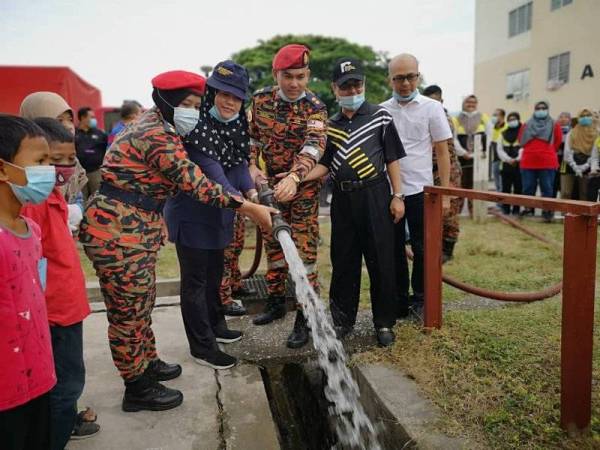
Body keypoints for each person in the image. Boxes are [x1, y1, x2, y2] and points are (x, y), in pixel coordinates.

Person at [79, 70, 275, 412]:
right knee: (128, 312)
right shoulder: (155, 134)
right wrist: (250, 208)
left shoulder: (162, 125)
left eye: (197, 104)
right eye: (186, 104)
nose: (193, 111)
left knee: (142, 303)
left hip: (136, 223)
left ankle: (147, 363)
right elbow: (197, 184)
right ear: (166, 101)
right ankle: (136, 387)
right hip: (117, 229)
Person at [303, 58, 405, 346]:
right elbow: (324, 165)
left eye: (356, 85)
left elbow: (392, 158)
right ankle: (342, 320)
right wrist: (297, 178)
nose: (352, 91)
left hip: (376, 195)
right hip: (343, 199)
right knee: (344, 261)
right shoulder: (328, 126)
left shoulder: (381, 116)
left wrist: (398, 196)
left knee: (381, 261)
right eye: (345, 87)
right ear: (334, 89)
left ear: (364, 85)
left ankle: (384, 323)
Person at [164, 60, 256, 369]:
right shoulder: (195, 125)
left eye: (236, 97)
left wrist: (254, 191)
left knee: (215, 276)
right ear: (211, 93)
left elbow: (239, 165)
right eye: (223, 94)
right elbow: (215, 173)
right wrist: (251, 206)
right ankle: (202, 347)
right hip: (193, 217)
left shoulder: (236, 125)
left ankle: (217, 326)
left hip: (220, 217)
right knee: (195, 283)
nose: (230, 102)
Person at [21, 118, 99, 449]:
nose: (63, 168)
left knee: (67, 384)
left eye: (70, 159)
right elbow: (31, 266)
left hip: (66, 307)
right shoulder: (32, 203)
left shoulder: (52, 197)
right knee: (64, 387)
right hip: (54, 314)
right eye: (51, 160)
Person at [247, 44, 328, 349]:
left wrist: (295, 176)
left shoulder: (315, 107)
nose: (294, 84)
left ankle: (305, 317)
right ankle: (276, 301)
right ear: (276, 74)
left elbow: (314, 144)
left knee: (304, 254)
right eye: (288, 76)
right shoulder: (260, 100)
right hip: (269, 189)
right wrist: (252, 165)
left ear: (308, 75)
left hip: (303, 190)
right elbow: (252, 136)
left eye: (301, 76)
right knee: (274, 246)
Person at [0, 115, 56, 450]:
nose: (48, 171)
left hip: (40, 376)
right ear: (4, 170)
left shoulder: (30, 230)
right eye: (39, 162)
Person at [382, 54, 452, 319]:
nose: (405, 84)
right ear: (390, 79)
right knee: (394, 248)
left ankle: (421, 299)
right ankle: (399, 299)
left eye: (411, 77)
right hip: (390, 192)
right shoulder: (382, 110)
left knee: (423, 248)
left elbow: (442, 153)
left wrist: (444, 195)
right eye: (399, 78)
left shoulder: (432, 108)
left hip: (422, 191)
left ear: (418, 76)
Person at [19, 92, 88, 208]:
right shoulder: (21, 164)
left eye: (70, 120)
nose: (69, 126)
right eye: (59, 120)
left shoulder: (72, 160)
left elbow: (78, 195)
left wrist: (77, 209)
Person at [422, 84, 462, 263]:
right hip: (428, 169)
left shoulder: (444, 118)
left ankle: (448, 248)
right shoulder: (424, 114)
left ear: (441, 101)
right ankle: (433, 246)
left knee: (449, 210)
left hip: (447, 169)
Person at [519, 100, 562, 222]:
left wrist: (545, 151)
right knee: (527, 188)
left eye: (543, 108)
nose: (541, 110)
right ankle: (528, 209)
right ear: (534, 109)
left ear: (547, 109)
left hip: (547, 161)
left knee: (547, 188)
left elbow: (557, 141)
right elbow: (520, 140)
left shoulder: (554, 124)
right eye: (538, 108)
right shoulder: (526, 124)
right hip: (528, 162)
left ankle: (547, 210)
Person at [452, 95, 491, 215]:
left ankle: (475, 212)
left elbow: (488, 137)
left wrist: (477, 154)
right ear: (464, 103)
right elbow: (453, 138)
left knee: (476, 185)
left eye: (473, 102)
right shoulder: (456, 119)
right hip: (462, 158)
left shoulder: (484, 117)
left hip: (479, 159)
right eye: (468, 101)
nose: (471, 104)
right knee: (461, 184)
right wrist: (463, 153)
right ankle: (458, 212)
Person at [220, 213, 253, 316]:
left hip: (237, 208)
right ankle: (223, 300)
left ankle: (234, 284)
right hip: (221, 210)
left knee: (237, 247)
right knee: (225, 254)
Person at [561, 109, 598, 200]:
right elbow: (567, 151)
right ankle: (565, 213)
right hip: (569, 163)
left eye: (587, 115)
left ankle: (582, 214)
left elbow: (595, 154)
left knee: (584, 193)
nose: (585, 118)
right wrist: (574, 166)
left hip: (588, 164)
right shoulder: (572, 132)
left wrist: (585, 166)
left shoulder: (596, 133)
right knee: (566, 192)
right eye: (582, 116)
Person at [75, 107, 108, 201]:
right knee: (81, 198)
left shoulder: (100, 134)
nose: (94, 120)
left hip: (95, 172)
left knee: (98, 198)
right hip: (79, 173)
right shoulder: (74, 134)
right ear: (82, 118)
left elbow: (106, 149)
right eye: (91, 117)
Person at [496, 112, 523, 215]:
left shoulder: (523, 133)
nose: (512, 121)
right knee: (506, 189)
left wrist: (517, 159)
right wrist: (508, 159)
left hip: (519, 165)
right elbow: (499, 149)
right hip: (506, 165)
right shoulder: (503, 133)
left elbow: (523, 148)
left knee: (518, 189)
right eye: (510, 119)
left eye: (514, 119)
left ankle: (516, 210)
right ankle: (506, 210)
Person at [490, 108, 507, 207]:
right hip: (495, 159)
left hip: (503, 160)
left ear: (502, 116)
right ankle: (499, 204)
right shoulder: (493, 128)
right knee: (497, 183)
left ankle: (501, 205)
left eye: (496, 115)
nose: (494, 117)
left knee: (502, 184)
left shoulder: (506, 128)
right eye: (494, 114)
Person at [556, 111, 572, 198]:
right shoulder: (554, 130)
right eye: (561, 117)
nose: (563, 119)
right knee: (554, 184)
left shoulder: (572, 131)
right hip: (555, 159)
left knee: (565, 187)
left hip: (566, 161)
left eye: (566, 117)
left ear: (569, 119)